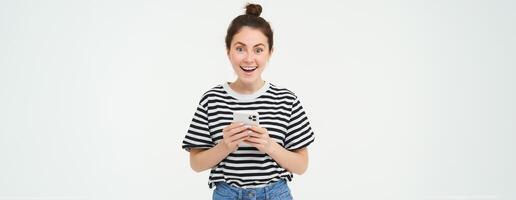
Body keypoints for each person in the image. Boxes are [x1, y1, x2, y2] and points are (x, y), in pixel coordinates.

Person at [181, 3, 315, 200]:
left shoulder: (287, 100)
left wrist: (269, 145)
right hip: (227, 194)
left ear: (270, 52)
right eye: (240, 49)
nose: (249, 59)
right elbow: (196, 163)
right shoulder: (212, 99)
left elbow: (301, 166)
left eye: (258, 50)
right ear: (228, 51)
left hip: (275, 194)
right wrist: (224, 146)